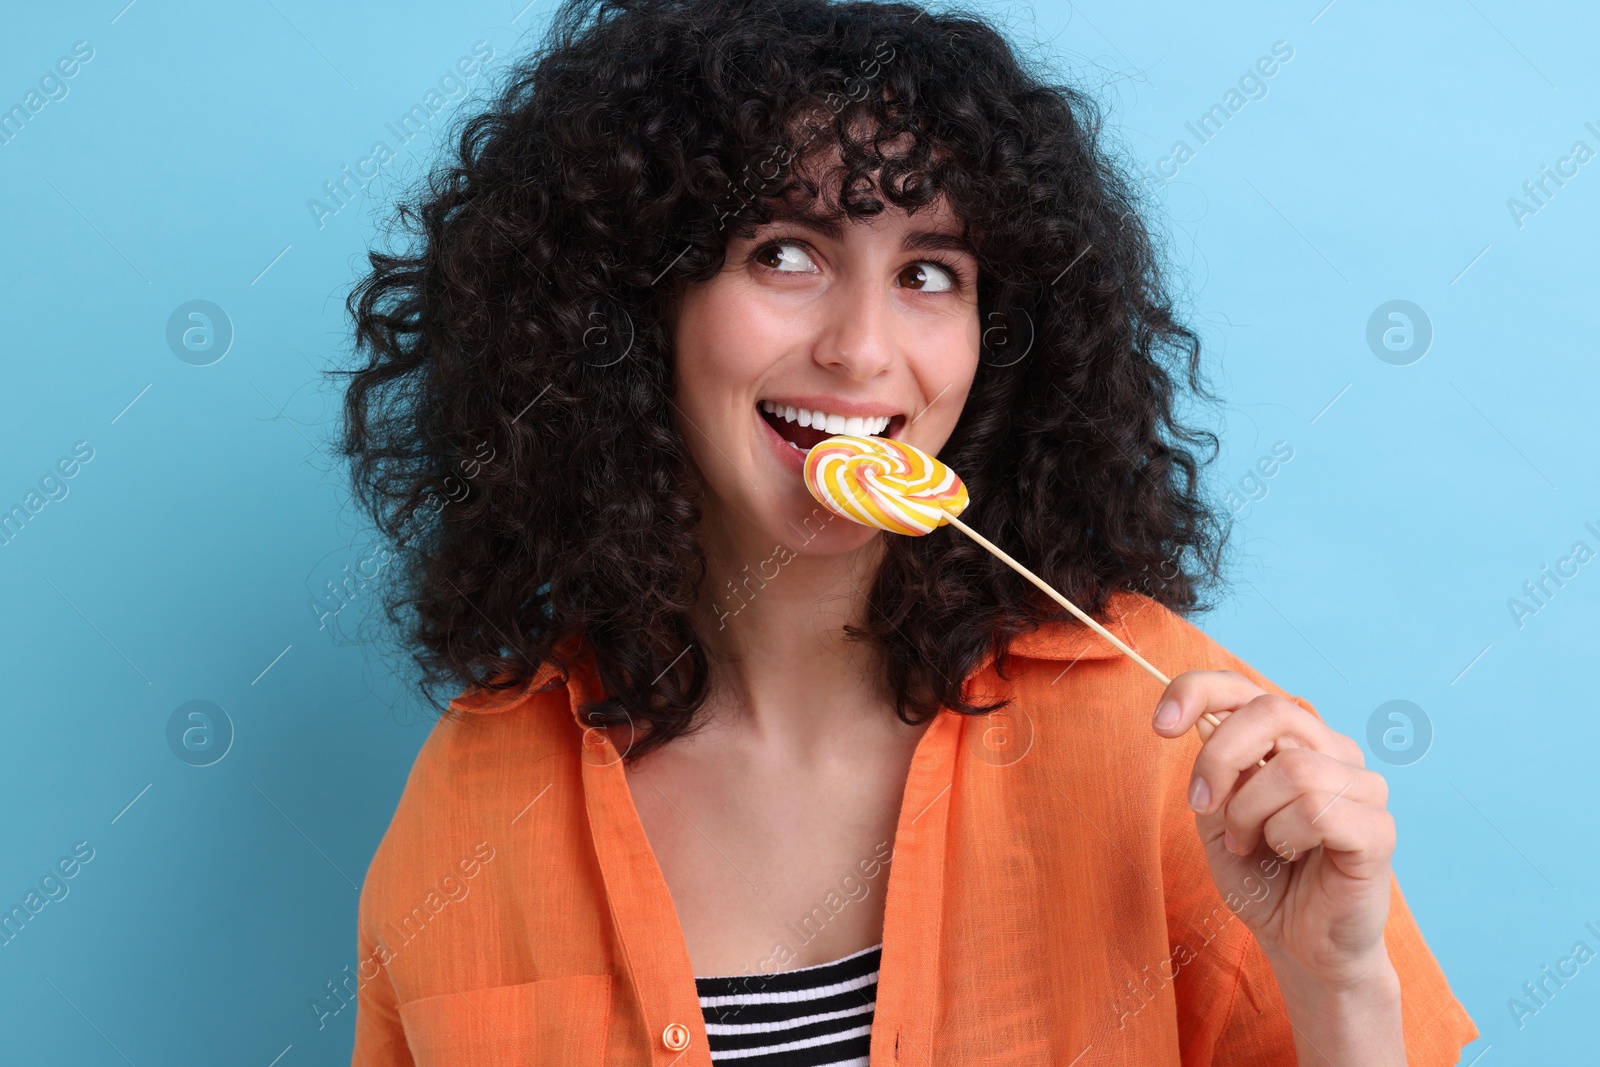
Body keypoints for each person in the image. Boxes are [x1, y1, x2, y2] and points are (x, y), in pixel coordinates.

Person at [338, 0, 1479, 1062]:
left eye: (930, 271)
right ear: (635, 309)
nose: (863, 350)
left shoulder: (1169, 735)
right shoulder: (479, 791)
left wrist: (1338, 980)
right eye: (784, 252)